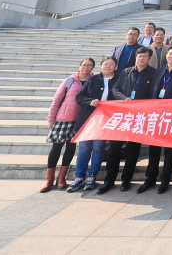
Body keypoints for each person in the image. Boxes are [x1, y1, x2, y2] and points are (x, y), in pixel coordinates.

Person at [98, 47, 156, 194]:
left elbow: (154, 94)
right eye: (139, 56)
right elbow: (116, 89)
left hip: (140, 116)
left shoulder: (154, 73)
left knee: (133, 149)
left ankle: (126, 180)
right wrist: (125, 99)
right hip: (123, 114)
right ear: (136, 57)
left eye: (144, 56)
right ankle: (109, 180)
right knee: (114, 148)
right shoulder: (126, 72)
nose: (141, 58)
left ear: (149, 58)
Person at [137, 46, 172, 195]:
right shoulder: (158, 71)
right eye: (170, 53)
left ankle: (165, 179)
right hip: (156, 115)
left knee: (169, 150)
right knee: (154, 149)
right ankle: (150, 178)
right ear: (166, 56)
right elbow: (151, 91)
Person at [41, 58, 93, 192]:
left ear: (93, 68)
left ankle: (61, 177)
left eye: (89, 65)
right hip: (63, 118)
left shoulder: (93, 81)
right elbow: (57, 99)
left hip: (80, 120)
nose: (86, 67)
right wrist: (51, 118)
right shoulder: (69, 80)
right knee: (56, 147)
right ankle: (49, 178)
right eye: (84, 65)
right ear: (79, 66)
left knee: (71, 147)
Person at [68, 56, 117, 192]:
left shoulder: (119, 79)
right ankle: (79, 176)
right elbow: (79, 97)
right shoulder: (93, 79)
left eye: (111, 64)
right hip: (88, 119)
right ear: (101, 66)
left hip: (106, 119)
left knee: (98, 147)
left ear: (115, 66)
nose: (108, 66)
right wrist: (90, 101)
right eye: (105, 64)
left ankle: (92, 176)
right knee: (84, 148)